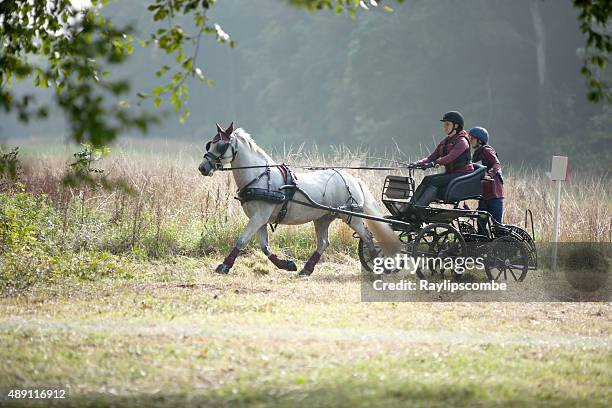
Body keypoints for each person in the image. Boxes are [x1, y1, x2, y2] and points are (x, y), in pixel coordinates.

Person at [409, 111, 474, 207]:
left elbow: (450, 157)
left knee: (435, 181)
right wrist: (417, 163)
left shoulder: (462, 141)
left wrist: (433, 163)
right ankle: (410, 206)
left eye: (447, 124)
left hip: (463, 174)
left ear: (456, 126)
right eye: (444, 125)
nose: (445, 127)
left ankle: (419, 207)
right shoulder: (445, 142)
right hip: (451, 174)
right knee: (427, 179)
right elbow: (431, 157)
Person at [468, 126, 504, 231]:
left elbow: (496, 164)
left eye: (472, 138)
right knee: (481, 223)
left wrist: (489, 175)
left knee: (497, 226)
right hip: (484, 196)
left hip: (494, 195)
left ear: (480, 140)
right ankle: (483, 246)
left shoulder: (487, 150)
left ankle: (503, 246)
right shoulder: (476, 154)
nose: (470, 141)